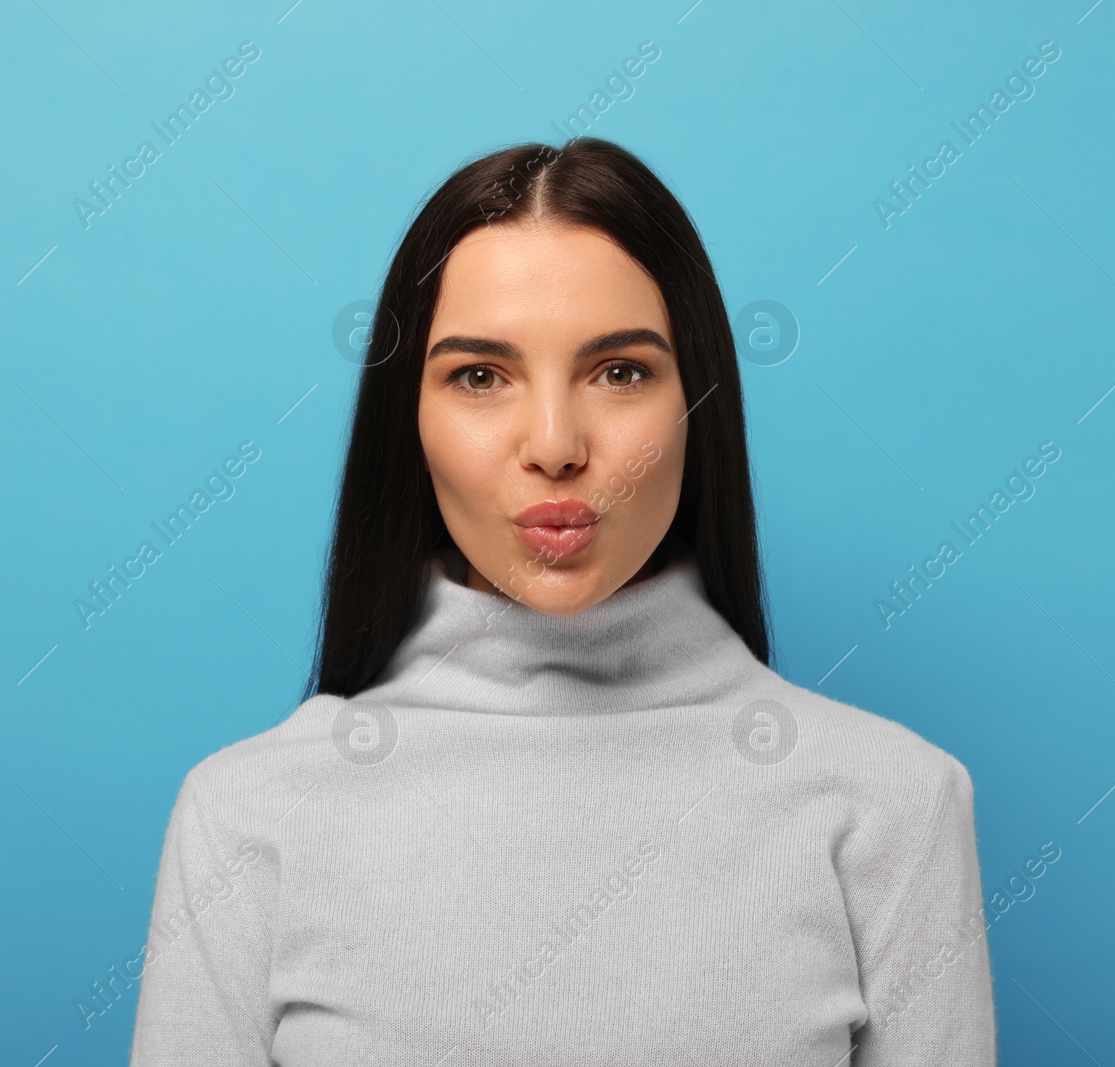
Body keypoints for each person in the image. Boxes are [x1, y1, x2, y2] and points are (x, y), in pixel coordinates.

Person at [129, 136, 997, 1065]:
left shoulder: (896, 804)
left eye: (620, 371)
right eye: (479, 375)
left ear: (697, 405)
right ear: (407, 422)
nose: (554, 445)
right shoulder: (246, 814)